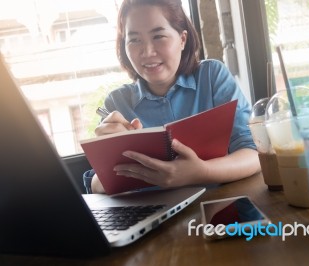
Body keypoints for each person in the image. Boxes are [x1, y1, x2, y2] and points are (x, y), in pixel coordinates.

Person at [85, 0, 260, 194]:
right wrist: (108, 158)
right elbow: (97, 185)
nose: (147, 52)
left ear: (182, 39)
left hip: (218, 212)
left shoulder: (211, 77)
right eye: (134, 40)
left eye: (158, 36)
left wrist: (202, 171)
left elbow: (254, 153)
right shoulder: (117, 103)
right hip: (152, 218)